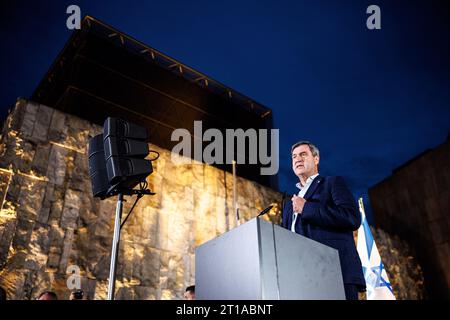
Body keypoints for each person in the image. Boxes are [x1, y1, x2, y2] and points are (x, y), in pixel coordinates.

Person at [281, 141, 365, 300]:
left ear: (316, 159)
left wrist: (307, 208)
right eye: (294, 156)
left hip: (335, 273)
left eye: (303, 154)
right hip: (301, 279)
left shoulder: (332, 183)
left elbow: (351, 218)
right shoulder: (288, 205)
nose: (297, 159)